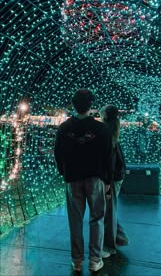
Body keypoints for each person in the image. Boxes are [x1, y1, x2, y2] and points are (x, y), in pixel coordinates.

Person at [54, 89, 113, 273]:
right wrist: (108, 180)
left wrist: (64, 172)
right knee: (97, 218)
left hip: (72, 179)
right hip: (95, 179)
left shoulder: (64, 128)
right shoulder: (101, 129)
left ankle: (77, 261)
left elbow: (58, 153)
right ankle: (95, 260)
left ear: (73, 105)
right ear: (91, 107)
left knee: (75, 220)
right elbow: (108, 156)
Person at [99, 104, 130, 255]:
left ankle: (109, 246)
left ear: (105, 115)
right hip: (117, 175)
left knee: (108, 211)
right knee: (109, 209)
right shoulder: (112, 129)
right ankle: (120, 237)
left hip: (112, 177)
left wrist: (106, 183)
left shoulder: (106, 131)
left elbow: (109, 161)